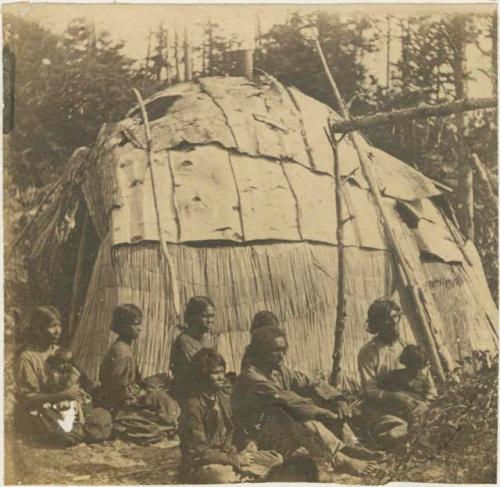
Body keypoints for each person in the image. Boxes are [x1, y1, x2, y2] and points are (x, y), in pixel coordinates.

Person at [232, 326, 381, 476]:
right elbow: (288, 401)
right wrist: (324, 413)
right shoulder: (251, 377)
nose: (282, 355)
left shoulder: (279, 371)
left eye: (284, 349)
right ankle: (339, 458)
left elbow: (311, 384)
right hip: (255, 437)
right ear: (261, 352)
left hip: (282, 432)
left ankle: (351, 446)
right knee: (291, 411)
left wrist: (337, 398)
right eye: (275, 351)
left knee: (327, 401)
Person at [178, 348, 282, 483]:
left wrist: (248, 443)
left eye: (222, 372)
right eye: (215, 373)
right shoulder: (193, 407)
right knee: (220, 474)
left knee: (275, 459)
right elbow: (199, 452)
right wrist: (235, 460)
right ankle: (240, 475)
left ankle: (240, 474)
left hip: (229, 455)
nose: (221, 377)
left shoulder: (223, 398)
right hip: (203, 463)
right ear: (201, 376)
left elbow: (234, 430)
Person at [14, 306, 111, 446]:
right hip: (41, 407)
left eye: (59, 325)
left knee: (103, 416)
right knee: (65, 435)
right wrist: (63, 395)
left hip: (64, 406)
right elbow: (28, 397)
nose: (57, 331)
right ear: (38, 329)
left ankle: (79, 430)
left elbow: (77, 380)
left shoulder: (59, 352)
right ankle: (77, 432)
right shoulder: (27, 358)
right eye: (51, 326)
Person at [357, 298, 437, 448]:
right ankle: (410, 437)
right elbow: (369, 390)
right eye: (387, 320)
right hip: (384, 408)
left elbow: (429, 384)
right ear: (377, 325)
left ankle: (417, 434)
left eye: (396, 317)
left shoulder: (408, 348)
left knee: (433, 419)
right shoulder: (368, 352)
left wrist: (426, 403)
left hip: (415, 404)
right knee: (393, 430)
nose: (394, 323)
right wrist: (393, 396)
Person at [96, 304, 179, 443]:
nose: (139, 328)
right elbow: (118, 388)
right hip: (120, 405)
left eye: (140, 324)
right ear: (122, 326)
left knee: (165, 401)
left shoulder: (124, 347)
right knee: (157, 420)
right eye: (135, 324)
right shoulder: (122, 353)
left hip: (125, 398)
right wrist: (140, 397)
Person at [170, 297, 216, 397]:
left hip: (206, 387)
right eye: (205, 316)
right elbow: (198, 372)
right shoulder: (184, 341)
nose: (210, 321)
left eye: (212, 316)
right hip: (189, 392)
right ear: (193, 317)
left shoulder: (207, 340)